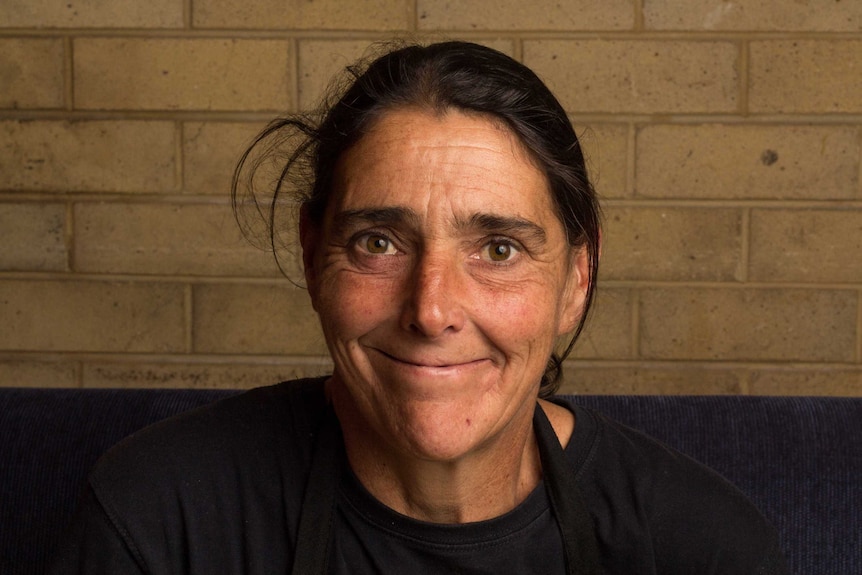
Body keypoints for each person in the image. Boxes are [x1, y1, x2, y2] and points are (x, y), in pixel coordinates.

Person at [52, 41, 787, 574]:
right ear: (313, 257)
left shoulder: (701, 544)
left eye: (498, 249)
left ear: (576, 280)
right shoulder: (157, 522)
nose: (431, 309)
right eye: (379, 241)